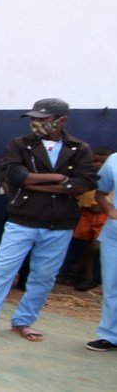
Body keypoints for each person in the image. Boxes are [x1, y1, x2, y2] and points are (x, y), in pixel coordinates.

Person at [0, 98, 98, 342]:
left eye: (43, 119)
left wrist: (35, 181)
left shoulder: (79, 148)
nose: (36, 124)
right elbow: (14, 176)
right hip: (23, 219)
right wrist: (57, 179)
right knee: (3, 270)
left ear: (61, 121)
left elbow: (85, 182)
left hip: (59, 223)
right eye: (34, 119)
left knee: (44, 275)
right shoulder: (20, 145)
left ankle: (24, 321)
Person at [65, 147, 114, 291]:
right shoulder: (88, 176)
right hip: (86, 213)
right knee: (86, 245)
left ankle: (77, 268)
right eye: (95, 161)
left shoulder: (111, 174)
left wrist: (105, 207)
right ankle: (88, 277)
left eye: (102, 161)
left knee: (95, 246)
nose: (98, 164)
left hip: (106, 215)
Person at [87, 149, 117, 351]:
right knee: (112, 287)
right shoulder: (114, 160)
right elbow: (100, 192)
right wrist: (111, 211)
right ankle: (110, 335)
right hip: (114, 236)